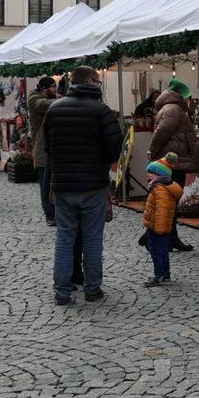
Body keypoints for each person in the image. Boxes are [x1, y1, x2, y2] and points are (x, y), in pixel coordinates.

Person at [43, 65, 122, 306]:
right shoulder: (101, 110)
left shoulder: (54, 110)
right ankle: (92, 289)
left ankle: (62, 291)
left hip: (63, 185)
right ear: (89, 82)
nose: (98, 85)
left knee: (65, 239)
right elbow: (114, 149)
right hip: (92, 186)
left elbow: (48, 147)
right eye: (97, 82)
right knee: (92, 240)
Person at [149, 77, 199, 252]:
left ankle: (169, 238)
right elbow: (162, 133)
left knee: (169, 201)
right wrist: (153, 152)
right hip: (174, 162)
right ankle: (162, 237)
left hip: (173, 160)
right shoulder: (174, 110)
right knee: (170, 201)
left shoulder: (168, 108)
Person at [142, 152, 183, 287]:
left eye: (151, 173)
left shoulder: (160, 189)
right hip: (163, 227)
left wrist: (158, 228)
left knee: (156, 251)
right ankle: (165, 274)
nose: (149, 175)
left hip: (158, 227)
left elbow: (162, 210)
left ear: (160, 175)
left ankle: (159, 275)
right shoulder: (163, 186)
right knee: (163, 250)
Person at [28, 76, 58, 225]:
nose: (56, 90)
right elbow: (43, 104)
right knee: (45, 184)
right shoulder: (34, 98)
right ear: (45, 89)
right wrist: (62, 100)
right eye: (53, 87)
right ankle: (49, 215)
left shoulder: (48, 98)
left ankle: (56, 212)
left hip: (53, 148)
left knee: (54, 182)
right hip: (42, 149)